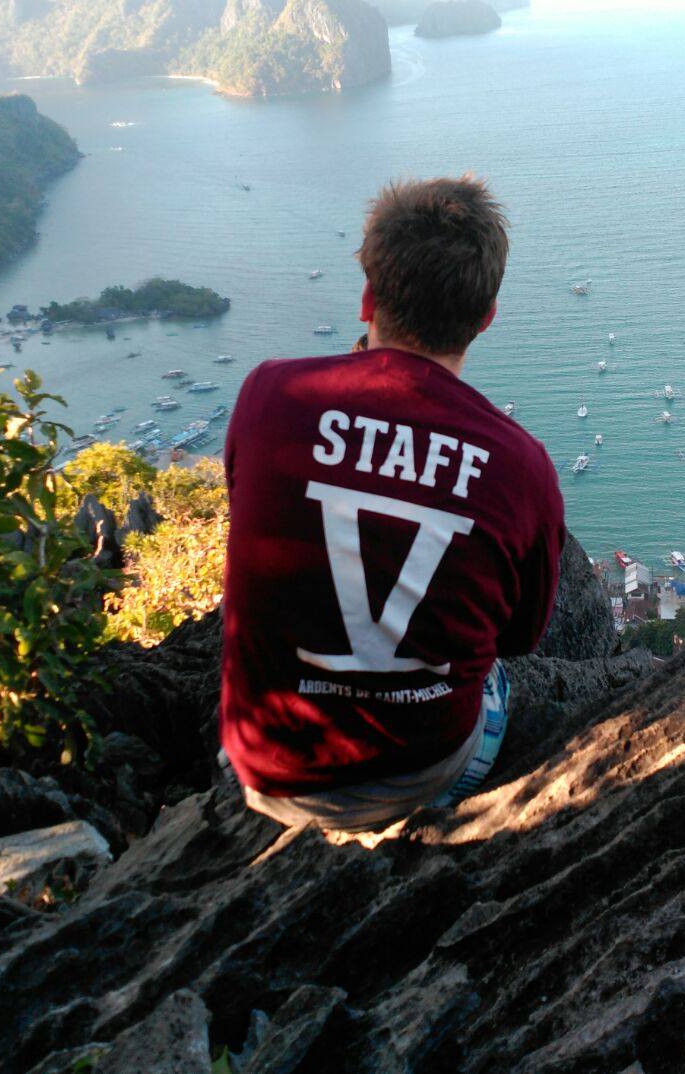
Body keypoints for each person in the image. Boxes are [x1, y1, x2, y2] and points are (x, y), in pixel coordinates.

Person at [219, 176, 565, 830]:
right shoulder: (521, 467)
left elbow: (251, 509)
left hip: (263, 770)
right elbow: (518, 637)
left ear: (366, 298)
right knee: (494, 679)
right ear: (485, 316)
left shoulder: (269, 395)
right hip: (422, 771)